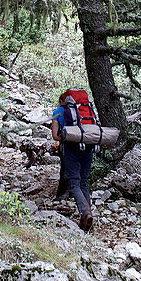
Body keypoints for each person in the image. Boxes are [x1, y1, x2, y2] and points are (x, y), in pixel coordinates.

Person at [52, 88, 95, 232]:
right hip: (88, 145)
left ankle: (85, 213)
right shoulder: (87, 110)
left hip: (71, 148)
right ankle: (88, 216)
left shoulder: (58, 112)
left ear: (62, 100)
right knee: (83, 183)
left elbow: (56, 136)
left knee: (74, 184)